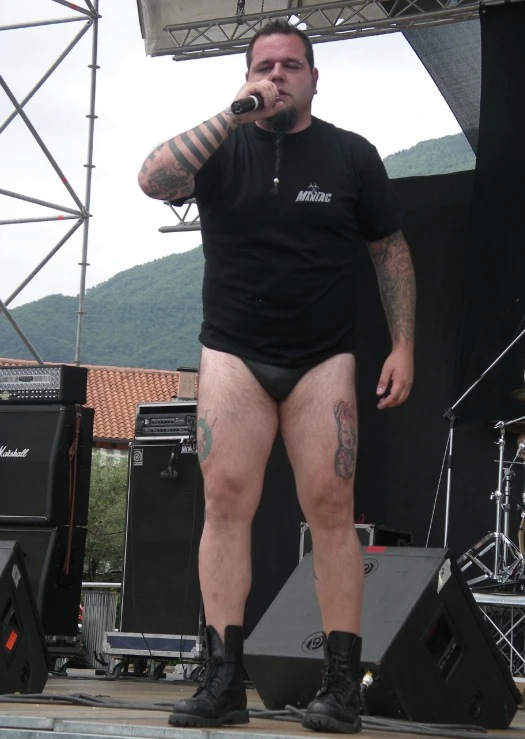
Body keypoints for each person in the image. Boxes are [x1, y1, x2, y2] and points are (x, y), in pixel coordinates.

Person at [138, 19, 415, 733]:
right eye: (265, 65)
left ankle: (341, 684)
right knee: (224, 501)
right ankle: (224, 677)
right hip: (233, 351)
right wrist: (233, 113)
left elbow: (390, 252)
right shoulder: (222, 146)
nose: (278, 75)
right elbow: (152, 178)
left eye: (292, 65)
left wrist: (404, 344)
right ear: (247, 74)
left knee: (331, 506)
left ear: (315, 78)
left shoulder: (351, 155)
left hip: (323, 354)